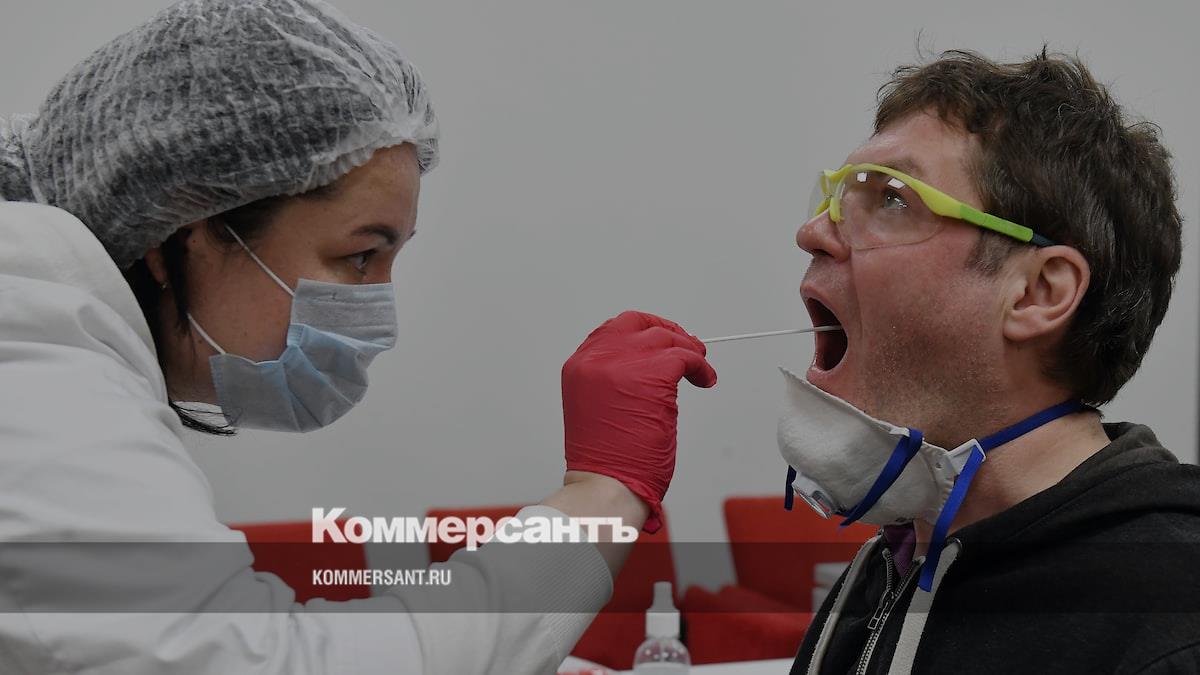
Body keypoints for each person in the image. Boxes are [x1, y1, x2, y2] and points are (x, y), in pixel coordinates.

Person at [0, 1, 715, 673]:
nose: (379, 313)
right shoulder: (38, 383)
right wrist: (601, 495)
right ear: (191, 230)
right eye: (360, 255)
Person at [780, 49, 1199, 674]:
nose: (812, 232)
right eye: (838, 196)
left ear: (1038, 293)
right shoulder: (891, 565)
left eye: (890, 198)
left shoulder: (1171, 621)